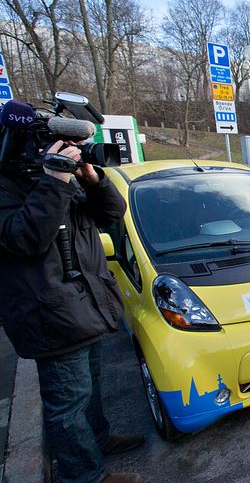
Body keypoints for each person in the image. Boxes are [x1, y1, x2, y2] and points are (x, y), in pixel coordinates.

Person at [0, 137, 143, 483]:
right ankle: (84, 476)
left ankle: (99, 439)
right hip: (49, 314)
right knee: (67, 403)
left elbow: (113, 213)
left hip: (85, 304)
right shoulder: (12, 188)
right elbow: (26, 238)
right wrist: (52, 181)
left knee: (88, 387)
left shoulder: (64, 182)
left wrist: (93, 179)